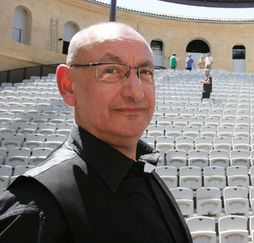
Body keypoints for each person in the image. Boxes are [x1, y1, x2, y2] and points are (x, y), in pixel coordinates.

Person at [0, 22, 192, 243]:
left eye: (145, 72)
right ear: (68, 85)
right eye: (111, 71)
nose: (136, 92)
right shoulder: (36, 209)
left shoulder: (145, 169)